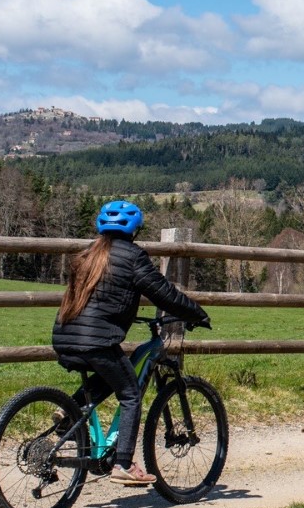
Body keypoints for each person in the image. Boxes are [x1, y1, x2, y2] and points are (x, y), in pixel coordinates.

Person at [52, 200, 211, 486]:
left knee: (111, 373)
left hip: (65, 337)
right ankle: (123, 463)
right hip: (96, 342)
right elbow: (164, 294)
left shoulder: (88, 254)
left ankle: (68, 409)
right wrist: (197, 313)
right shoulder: (133, 257)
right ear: (135, 230)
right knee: (130, 395)